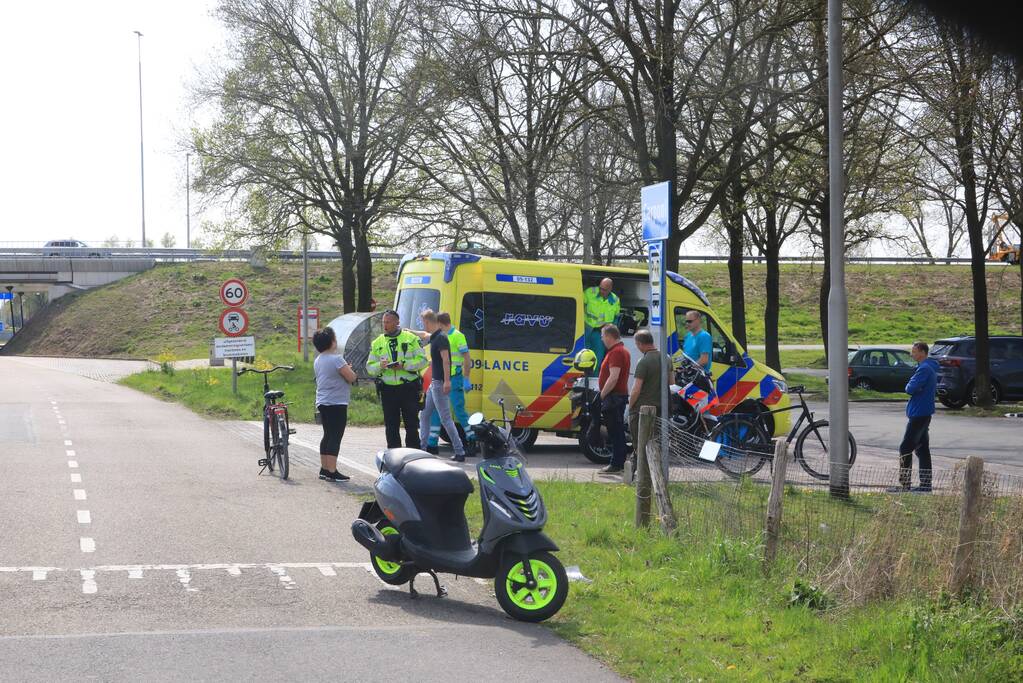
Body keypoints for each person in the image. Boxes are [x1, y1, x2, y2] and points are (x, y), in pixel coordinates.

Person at [410, 312, 475, 456]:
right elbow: (424, 335)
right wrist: (408, 331)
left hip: (446, 381)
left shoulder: (445, 337)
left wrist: (458, 379)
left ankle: (462, 448)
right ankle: (425, 447)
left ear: (431, 322)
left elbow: (447, 360)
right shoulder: (436, 336)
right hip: (436, 382)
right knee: (426, 414)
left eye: (424, 323)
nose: (424, 326)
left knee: (449, 416)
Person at [367, 310, 428, 449]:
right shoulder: (377, 342)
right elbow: (370, 367)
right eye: (383, 322)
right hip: (388, 390)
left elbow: (423, 360)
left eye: (388, 322)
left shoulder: (410, 339)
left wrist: (404, 365)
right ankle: (394, 457)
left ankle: (413, 456)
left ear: (397, 322)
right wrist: (380, 366)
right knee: (391, 426)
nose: (385, 325)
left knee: (411, 425)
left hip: (408, 388)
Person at [890, 342, 938, 493]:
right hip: (923, 413)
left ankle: (905, 485)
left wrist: (911, 384)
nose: (912, 354)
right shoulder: (927, 367)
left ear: (923, 353)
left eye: (914, 351)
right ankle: (925, 485)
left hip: (919, 414)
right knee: (922, 449)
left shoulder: (924, 369)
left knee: (905, 448)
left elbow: (910, 389)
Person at [313, 327, 357, 482]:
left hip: (323, 401)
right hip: (337, 402)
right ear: (332, 342)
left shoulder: (319, 359)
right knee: (335, 436)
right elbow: (351, 377)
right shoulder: (336, 358)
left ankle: (324, 469)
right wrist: (350, 371)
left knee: (327, 435)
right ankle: (332, 471)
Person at [597, 324, 630, 475]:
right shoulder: (619, 351)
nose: (602, 339)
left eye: (603, 336)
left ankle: (616, 464)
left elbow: (613, 377)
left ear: (610, 336)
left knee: (615, 432)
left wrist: (601, 395)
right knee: (616, 431)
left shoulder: (616, 352)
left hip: (614, 397)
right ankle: (618, 462)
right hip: (617, 397)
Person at [628, 328, 664, 445]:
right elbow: (671, 381)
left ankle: (639, 463)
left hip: (642, 409)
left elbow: (636, 389)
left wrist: (630, 406)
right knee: (655, 442)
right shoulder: (666, 358)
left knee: (640, 444)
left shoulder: (643, 361)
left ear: (640, 344)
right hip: (660, 408)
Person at [583, 278, 621, 370]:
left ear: (610, 289)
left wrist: (611, 332)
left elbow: (616, 318)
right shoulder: (589, 292)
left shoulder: (615, 300)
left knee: (597, 359)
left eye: (604, 289)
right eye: (600, 288)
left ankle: (593, 381)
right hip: (585, 330)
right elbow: (579, 306)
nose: (601, 291)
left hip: (601, 334)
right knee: (582, 357)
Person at [674, 310, 713, 376]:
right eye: (686, 321)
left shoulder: (704, 336)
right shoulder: (688, 335)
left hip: (699, 378)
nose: (687, 324)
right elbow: (686, 355)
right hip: (688, 376)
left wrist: (686, 369)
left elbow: (704, 360)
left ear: (698, 320)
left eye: (690, 321)